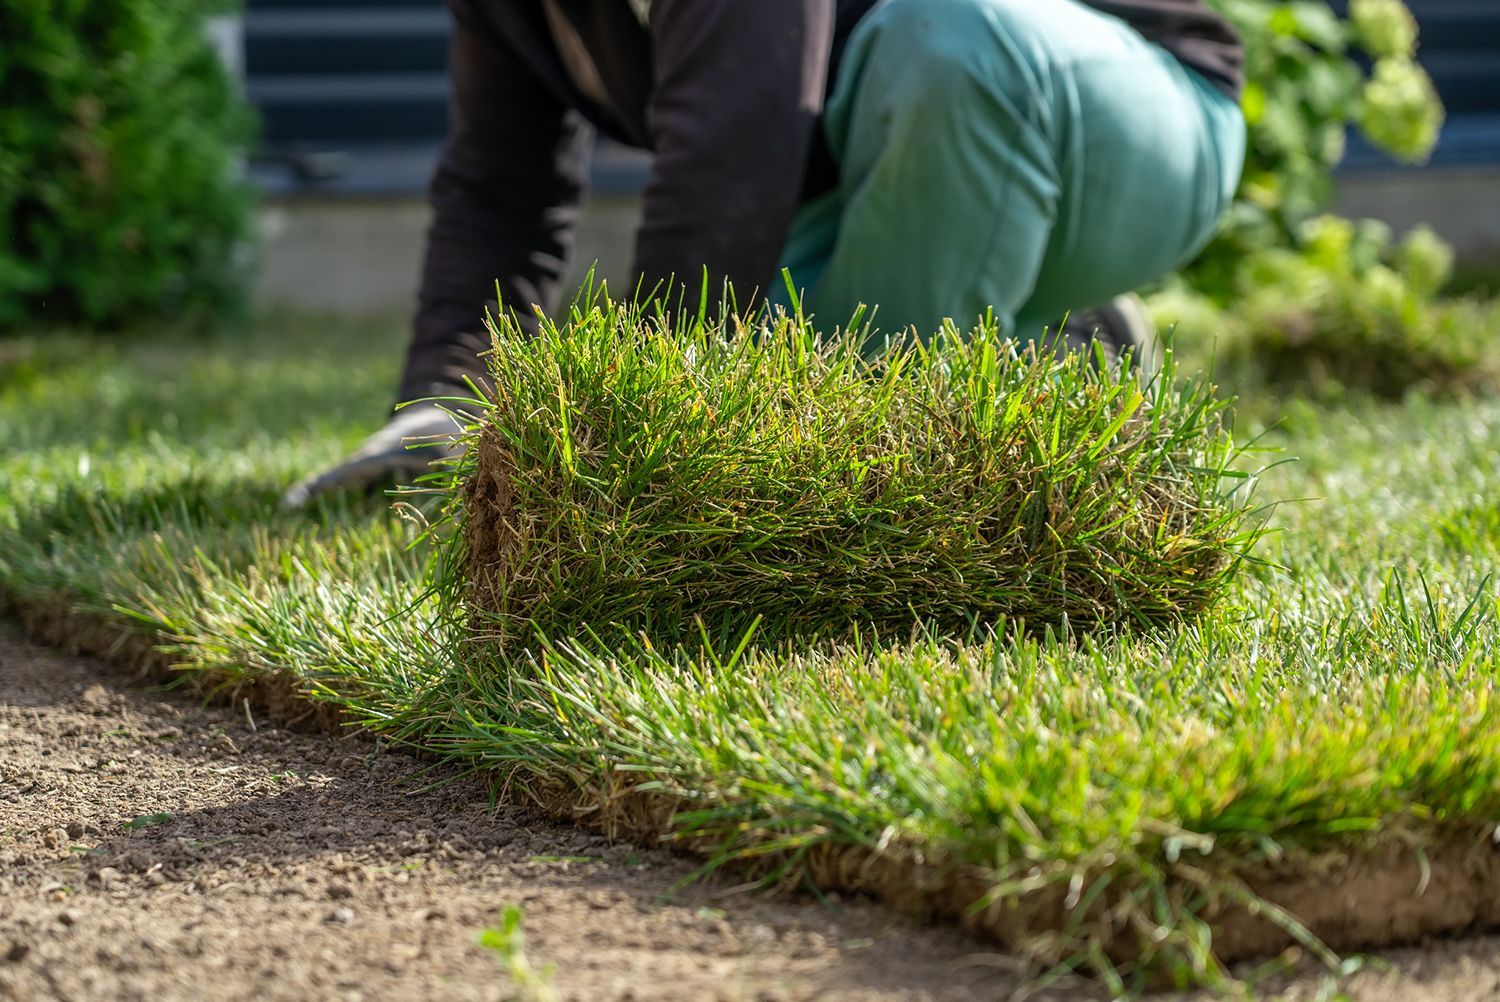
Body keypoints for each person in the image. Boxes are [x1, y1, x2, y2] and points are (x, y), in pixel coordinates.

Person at [282, 0, 1245, 507]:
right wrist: (444, 407)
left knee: (955, 39)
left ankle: (949, 427)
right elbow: (501, 187)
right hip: (889, 181)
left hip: (1127, 110)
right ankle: (1061, 352)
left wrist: (631, 448)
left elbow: (730, 155)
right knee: (761, 396)